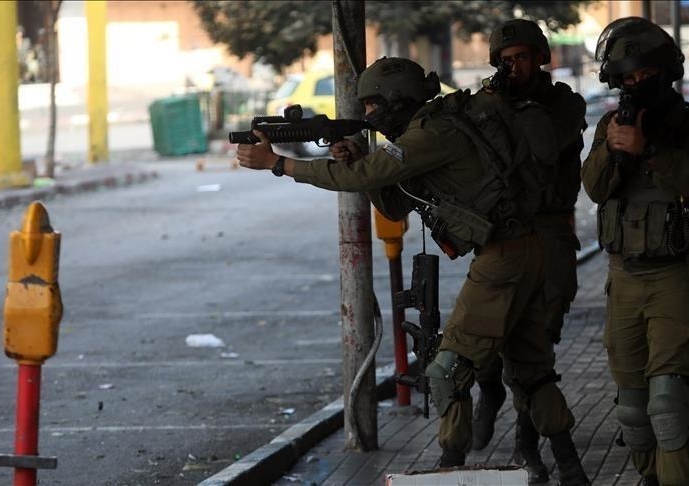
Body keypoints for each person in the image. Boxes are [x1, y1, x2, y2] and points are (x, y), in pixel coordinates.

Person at [236, 56, 590, 485]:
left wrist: (279, 164)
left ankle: (448, 469)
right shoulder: (431, 130)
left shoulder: (432, 133)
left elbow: (364, 176)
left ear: (397, 100)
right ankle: (572, 470)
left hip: (506, 258)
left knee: (447, 371)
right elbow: (393, 202)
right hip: (523, 250)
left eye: (373, 105)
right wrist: (358, 160)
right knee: (531, 372)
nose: (369, 115)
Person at [581, 17, 689, 486]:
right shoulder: (611, 125)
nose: (638, 83)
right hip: (624, 279)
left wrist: (649, 149)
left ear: (667, 71)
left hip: (677, 278)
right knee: (634, 413)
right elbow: (595, 188)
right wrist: (615, 150)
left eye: (647, 74)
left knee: (669, 406)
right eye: (629, 77)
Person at [466, 19, 588, 485]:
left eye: (521, 58)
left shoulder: (564, 105)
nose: (513, 68)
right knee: (483, 334)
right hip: (503, 233)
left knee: (538, 347)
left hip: (550, 233)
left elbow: (543, 145)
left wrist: (504, 106)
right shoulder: (491, 103)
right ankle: (489, 386)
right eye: (505, 60)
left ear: (540, 58)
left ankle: (526, 444)